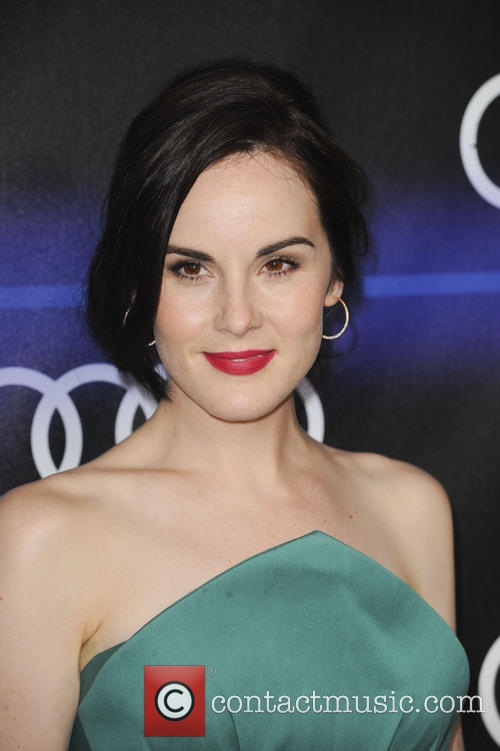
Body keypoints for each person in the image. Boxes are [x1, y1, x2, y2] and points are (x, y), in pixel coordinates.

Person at [0, 59, 468, 750]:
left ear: (333, 279)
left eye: (279, 264)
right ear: (137, 287)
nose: (238, 316)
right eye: (190, 268)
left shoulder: (412, 508)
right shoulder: (44, 538)